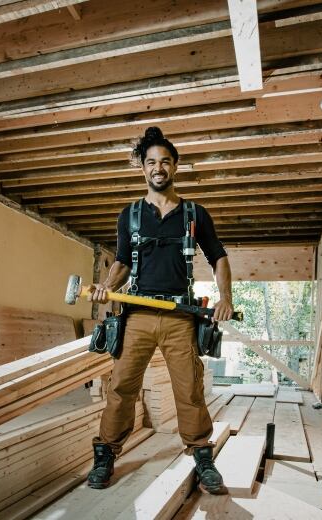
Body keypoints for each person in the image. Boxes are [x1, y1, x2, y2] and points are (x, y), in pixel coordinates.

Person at [86, 126, 234, 495]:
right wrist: (108, 287)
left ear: (175, 167)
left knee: (189, 389)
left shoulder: (194, 214)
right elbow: (121, 262)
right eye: (151, 162)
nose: (158, 168)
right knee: (121, 387)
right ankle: (106, 454)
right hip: (137, 315)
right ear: (143, 168)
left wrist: (225, 296)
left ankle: (202, 455)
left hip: (180, 316)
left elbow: (218, 256)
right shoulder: (130, 215)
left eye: (165, 162)